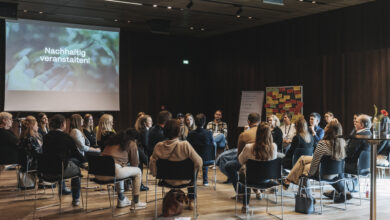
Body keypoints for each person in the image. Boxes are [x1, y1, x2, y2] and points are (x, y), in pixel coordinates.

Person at [283, 119, 351, 203]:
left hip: (323, 173)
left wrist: (309, 174)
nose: (324, 127)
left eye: (326, 126)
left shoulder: (323, 143)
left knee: (303, 168)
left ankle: (309, 198)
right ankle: (288, 180)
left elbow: (315, 162)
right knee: (302, 159)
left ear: (328, 130)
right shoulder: (342, 143)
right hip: (336, 173)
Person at [149, 119, 202, 210]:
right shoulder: (185, 145)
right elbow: (199, 162)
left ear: (164, 131)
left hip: (167, 180)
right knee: (194, 173)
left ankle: (179, 196)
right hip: (185, 180)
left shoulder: (158, 146)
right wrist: (193, 172)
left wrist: (155, 174)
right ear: (179, 131)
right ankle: (191, 200)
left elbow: (152, 162)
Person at [96, 129, 146, 209]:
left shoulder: (112, 142)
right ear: (135, 139)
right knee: (138, 171)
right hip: (113, 171)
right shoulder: (131, 143)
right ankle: (136, 202)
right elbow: (135, 165)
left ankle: (121, 199)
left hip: (98, 172)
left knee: (120, 168)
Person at [42, 114, 85, 206]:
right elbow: (76, 153)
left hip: (44, 172)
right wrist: (85, 161)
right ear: (62, 124)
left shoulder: (46, 137)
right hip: (58, 171)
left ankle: (62, 189)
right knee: (77, 172)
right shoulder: (65, 137)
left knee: (63, 162)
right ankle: (76, 199)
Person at [238, 122, 278, 212]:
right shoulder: (274, 147)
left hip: (251, 179)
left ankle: (245, 205)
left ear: (257, 133)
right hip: (267, 180)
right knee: (248, 173)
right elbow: (273, 162)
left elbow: (240, 161)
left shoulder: (249, 147)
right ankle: (258, 191)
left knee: (243, 171)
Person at [225, 113, 260, 194]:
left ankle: (240, 192)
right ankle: (256, 188)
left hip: (249, 164)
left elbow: (239, 155)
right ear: (259, 121)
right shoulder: (266, 134)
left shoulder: (244, 134)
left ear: (248, 121)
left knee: (229, 166)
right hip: (265, 165)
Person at [187, 113, 215, 186]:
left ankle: (193, 179)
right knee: (204, 155)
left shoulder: (191, 134)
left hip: (194, 160)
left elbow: (188, 147)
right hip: (208, 160)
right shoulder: (209, 133)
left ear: (195, 122)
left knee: (196, 156)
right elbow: (212, 145)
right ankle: (205, 181)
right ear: (204, 122)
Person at [135, 114, 153, 191]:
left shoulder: (143, 129)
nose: (151, 122)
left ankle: (139, 185)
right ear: (145, 123)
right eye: (149, 121)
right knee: (143, 167)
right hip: (140, 151)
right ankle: (139, 185)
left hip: (139, 151)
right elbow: (145, 144)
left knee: (140, 168)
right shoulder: (145, 130)